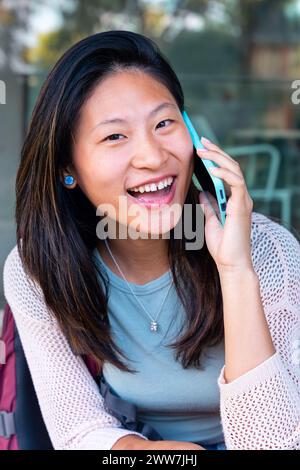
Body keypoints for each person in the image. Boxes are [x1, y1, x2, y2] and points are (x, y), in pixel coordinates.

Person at [3, 30, 300, 450]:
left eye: (164, 123)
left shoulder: (269, 252)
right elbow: (78, 432)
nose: (153, 157)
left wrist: (236, 272)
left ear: (193, 136)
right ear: (68, 168)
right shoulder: (38, 269)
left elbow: (279, 445)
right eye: (115, 136)